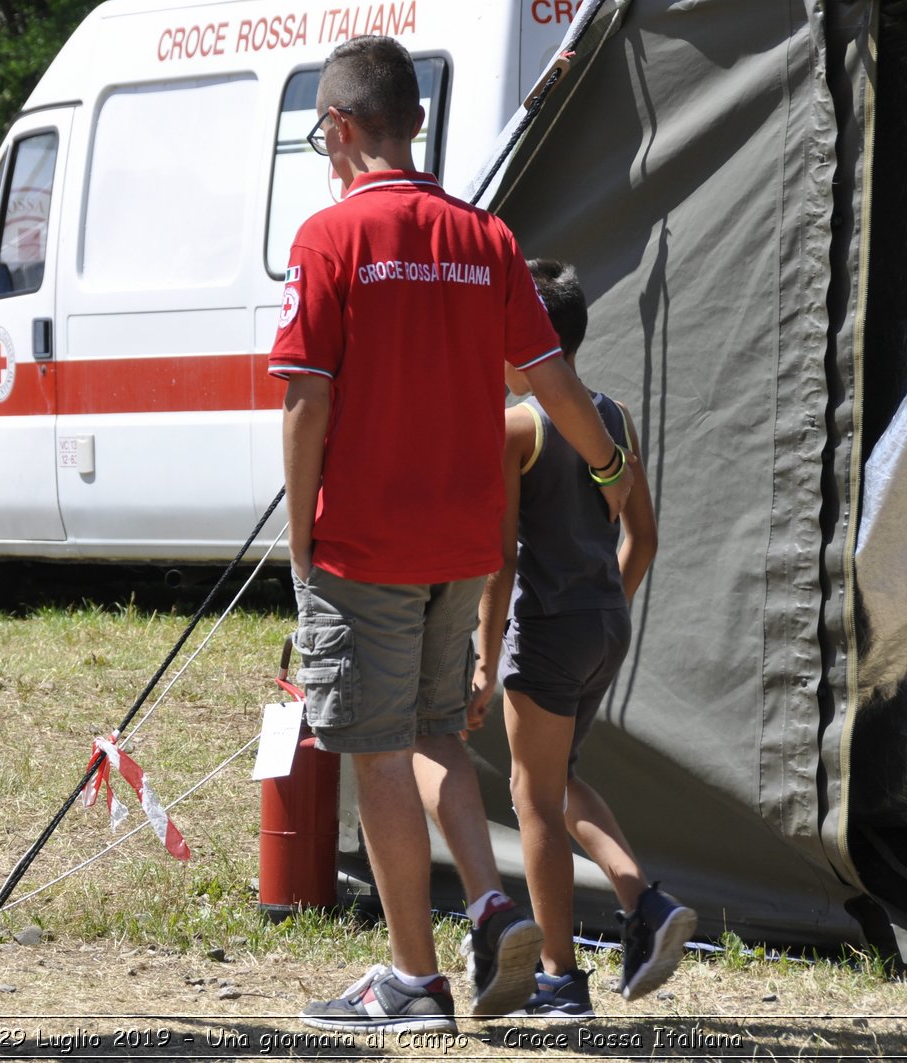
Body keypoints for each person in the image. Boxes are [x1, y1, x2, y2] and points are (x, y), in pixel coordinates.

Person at [271, 37, 633, 1033]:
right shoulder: (486, 237)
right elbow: (551, 373)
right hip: (464, 542)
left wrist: (301, 533)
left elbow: (306, 398)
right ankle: (487, 900)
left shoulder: (327, 237)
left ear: (340, 129)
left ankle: (413, 980)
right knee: (435, 730)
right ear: (417, 122)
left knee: (378, 750)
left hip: (366, 541)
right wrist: (608, 469)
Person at [469, 259, 695, 1020]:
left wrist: (484, 652)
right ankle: (645, 901)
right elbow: (646, 539)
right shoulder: (615, 417)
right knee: (560, 778)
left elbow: (501, 563)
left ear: (527, 334)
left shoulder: (516, 424)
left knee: (530, 795)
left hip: (546, 632)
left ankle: (561, 978)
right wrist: (603, 604)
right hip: (607, 626)